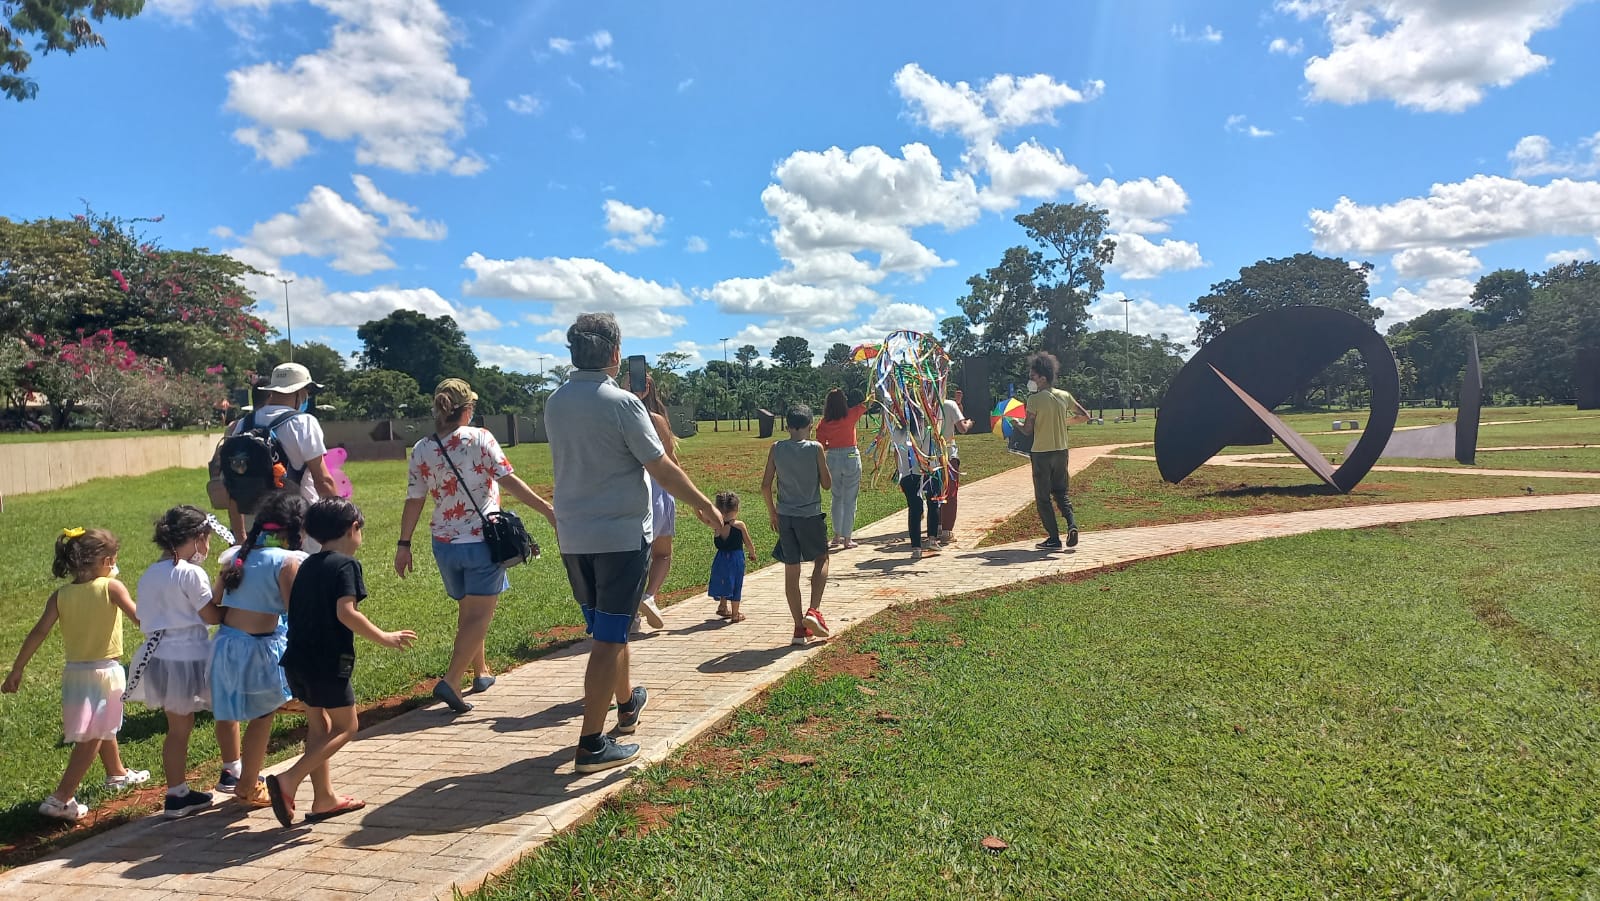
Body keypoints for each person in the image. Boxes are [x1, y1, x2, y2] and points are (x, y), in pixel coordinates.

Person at [545, 312, 726, 774]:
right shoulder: (624, 404)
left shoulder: (555, 403)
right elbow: (660, 466)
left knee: (610, 629)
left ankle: (626, 705)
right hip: (620, 537)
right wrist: (704, 503)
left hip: (574, 537)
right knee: (608, 639)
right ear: (615, 353)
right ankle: (590, 744)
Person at [396, 378, 555, 715]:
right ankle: (452, 681)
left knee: (468, 612)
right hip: (482, 542)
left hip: (445, 544)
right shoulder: (480, 438)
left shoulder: (422, 448)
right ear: (467, 409)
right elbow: (509, 480)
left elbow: (414, 500)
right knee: (480, 615)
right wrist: (548, 511)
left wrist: (404, 543)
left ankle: (480, 672)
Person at [269, 499, 416, 827]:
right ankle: (288, 780)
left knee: (318, 726)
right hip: (326, 662)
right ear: (353, 529)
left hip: (297, 659)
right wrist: (385, 637)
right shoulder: (346, 566)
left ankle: (324, 799)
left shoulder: (307, 564)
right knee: (347, 726)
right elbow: (346, 612)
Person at [3, 528, 149, 822]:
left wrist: (17, 669)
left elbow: (39, 632)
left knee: (99, 725)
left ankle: (117, 773)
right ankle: (61, 797)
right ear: (107, 561)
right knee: (94, 735)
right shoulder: (112, 587)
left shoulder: (61, 595)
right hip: (105, 673)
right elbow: (139, 618)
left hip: (74, 675)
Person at [125, 506, 243, 818]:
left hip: (160, 657)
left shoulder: (151, 573)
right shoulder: (190, 573)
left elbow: (144, 617)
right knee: (226, 710)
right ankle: (233, 771)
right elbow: (210, 615)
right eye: (205, 541)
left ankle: (176, 794)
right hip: (193, 654)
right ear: (195, 538)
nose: (207, 548)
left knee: (177, 729)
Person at [210, 491, 308, 808]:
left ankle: (243, 777)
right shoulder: (287, 562)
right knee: (262, 715)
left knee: (251, 712)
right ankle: (248, 783)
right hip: (257, 649)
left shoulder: (238, 556)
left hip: (227, 644)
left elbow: (216, 600)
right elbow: (295, 613)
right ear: (297, 528)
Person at [226, 363, 340, 546]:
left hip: (254, 527)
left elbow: (233, 486)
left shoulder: (243, 425)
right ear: (299, 392)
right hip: (299, 526)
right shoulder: (303, 423)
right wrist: (340, 522)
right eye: (307, 392)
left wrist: (240, 538)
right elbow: (323, 481)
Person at [762, 404, 833, 646]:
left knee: (791, 571)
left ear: (787, 426)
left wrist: (773, 513)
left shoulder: (776, 448)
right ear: (810, 426)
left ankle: (798, 629)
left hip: (785, 516)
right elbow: (826, 484)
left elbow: (765, 484)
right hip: (810, 515)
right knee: (822, 559)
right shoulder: (815, 448)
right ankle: (813, 611)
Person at [1016, 352, 1081, 550]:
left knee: (1043, 497)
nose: (1031, 381)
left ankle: (1054, 538)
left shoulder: (1034, 399)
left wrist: (1015, 424)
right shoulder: (1064, 396)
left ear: (1042, 378)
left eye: (1033, 377)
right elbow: (1084, 415)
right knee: (1061, 492)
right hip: (1061, 451)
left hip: (1041, 453)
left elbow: (1027, 430)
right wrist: (1062, 421)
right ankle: (1072, 524)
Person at [633, 375, 676, 632]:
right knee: (662, 554)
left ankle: (632, 618)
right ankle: (649, 596)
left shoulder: (615, 414)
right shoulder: (656, 420)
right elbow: (670, 461)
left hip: (629, 489)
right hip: (659, 489)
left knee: (634, 556)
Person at [816, 388, 868, 549]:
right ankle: (847, 538)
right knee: (850, 500)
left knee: (836, 497)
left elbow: (821, 445)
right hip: (851, 456)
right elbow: (867, 404)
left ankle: (837, 536)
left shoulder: (824, 423)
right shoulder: (851, 415)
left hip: (833, 458)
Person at [890, 409, 942, 560]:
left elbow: (895, 453)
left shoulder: (898, 431)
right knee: (932, 504)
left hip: (909, 473)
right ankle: (931, 539)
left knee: (915, 509)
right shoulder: (927, 429)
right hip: (927, 472)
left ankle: (917, 547)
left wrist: (899, 470)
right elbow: (935, 450)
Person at [708, 491, 757, 622]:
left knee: (724, 580)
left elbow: (703, 517)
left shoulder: (717, 526)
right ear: (736, 509)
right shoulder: (739, 525)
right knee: (736, 583)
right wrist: (752, 553)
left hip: (720, 559)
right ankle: (735, 614)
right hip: (736, 559)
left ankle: (723, 606)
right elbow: (748, 542)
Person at [937, 388, 974, 544]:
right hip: (948, 453)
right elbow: (962, 428)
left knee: (935, 491)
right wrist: (969, 423)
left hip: (929, 454)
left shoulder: (923, 405)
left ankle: (936, 526)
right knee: (950, 492)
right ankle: (946, 531)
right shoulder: (948, 404)